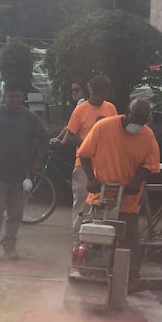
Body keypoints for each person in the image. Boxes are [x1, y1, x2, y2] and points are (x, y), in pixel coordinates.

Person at [77, 97, 160, 290]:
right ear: (127, 112)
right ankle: (91, 270)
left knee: (128, 237)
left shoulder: (147, 136)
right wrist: (91, 179)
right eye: (135, 118)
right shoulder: (103, 127)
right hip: (101, 196)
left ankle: (131, 277)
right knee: (95, 235)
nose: (137, 124)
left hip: (128, 198)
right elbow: (84, 153)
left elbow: (150, 164)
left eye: (142, 121)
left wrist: (136, 181)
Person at [0, 81, 49, 261]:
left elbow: (44, 139)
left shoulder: (30, 118)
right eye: (11, 96)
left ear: (23, 98)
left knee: (15, 215)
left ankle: (10, 246)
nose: (14, 100)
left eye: (18, 96)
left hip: (21, 177)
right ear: (4, 97)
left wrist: (37, 162)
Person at [53, 75, 118, 232]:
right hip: (83, 164)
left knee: (107, 201)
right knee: (83, 202)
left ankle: (103, 235)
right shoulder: (80, 110)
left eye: (103, 93)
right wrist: (89, 145)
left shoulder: (111, 108)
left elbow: (116, 134)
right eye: (96, 93)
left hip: (105, 164)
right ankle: (78, 234)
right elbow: (69, 138)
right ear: (90, 90)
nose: (99, 96)